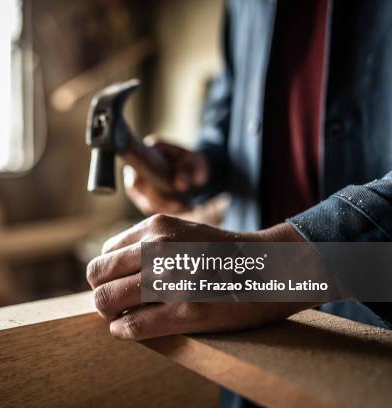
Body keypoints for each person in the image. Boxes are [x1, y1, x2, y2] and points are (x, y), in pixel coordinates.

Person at [86, 0, 392, 342]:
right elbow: (229, 110)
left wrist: (277, 269)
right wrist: (201, 165)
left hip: (371, 327)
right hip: (246, 323)